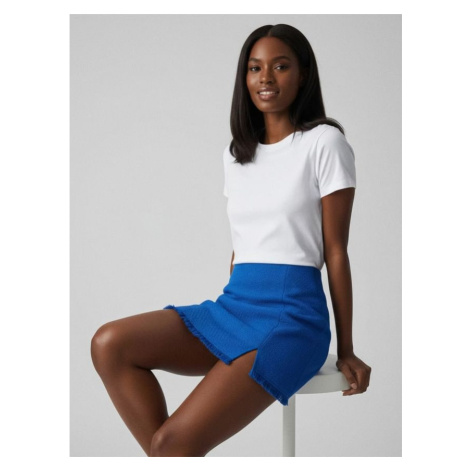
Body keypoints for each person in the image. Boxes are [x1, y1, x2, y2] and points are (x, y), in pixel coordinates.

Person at [91, 23, 372, 457]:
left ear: (302, 74)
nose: (266, 78)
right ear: (245, 77)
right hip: (236, 305)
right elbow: (243, 243)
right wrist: (232, 303)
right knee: (110, 344)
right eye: (255, 68)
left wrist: (347, 349)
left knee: (171, 445)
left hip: (292, 318)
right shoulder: (236, 154)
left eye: (280, 66)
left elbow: (336, 251)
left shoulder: (325, 143)